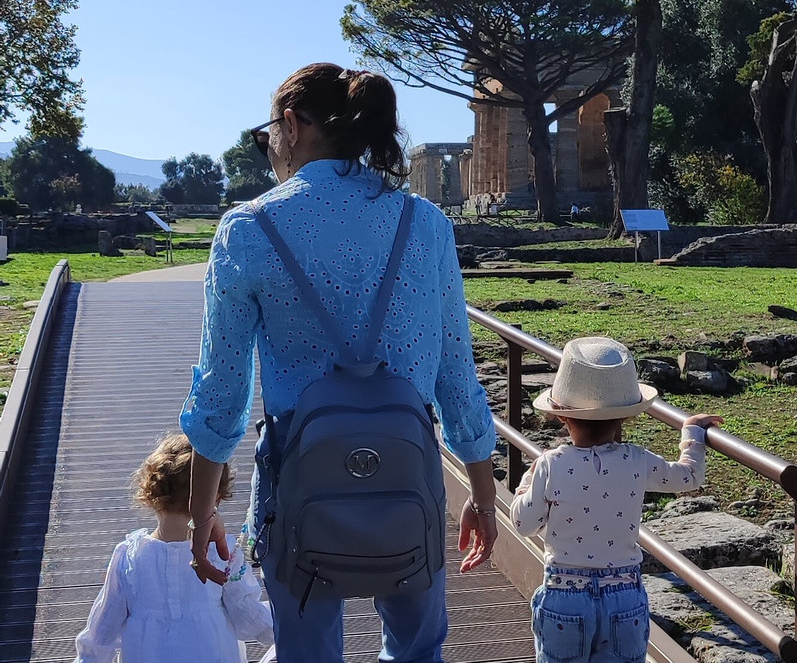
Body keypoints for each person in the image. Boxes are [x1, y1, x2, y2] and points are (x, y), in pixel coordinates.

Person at [180, 63, 499, 663]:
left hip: (297, 483)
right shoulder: (425, 224)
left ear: (294, 125)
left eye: (267, 131)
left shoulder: (247, 231)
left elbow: (220, 397)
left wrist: (201, 517)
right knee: (418, 650)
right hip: (408, 476)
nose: (268, 146)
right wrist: (482, 498)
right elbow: (458, 377)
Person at [510, 337, 721, 663]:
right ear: (624, 417)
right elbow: (688, 477)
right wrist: (691, 433)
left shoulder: (551, 464)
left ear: (562, 416)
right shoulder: (636, 460)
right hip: (624, 597)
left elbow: (524, 524)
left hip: (565, 596)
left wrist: (528, 481)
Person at [73, 434, 274, 663]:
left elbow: (101, 633)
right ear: (214, 499)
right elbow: (249, 618)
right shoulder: (222, 553)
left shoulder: (129, 557)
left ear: (152, 492)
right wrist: (293, 624)